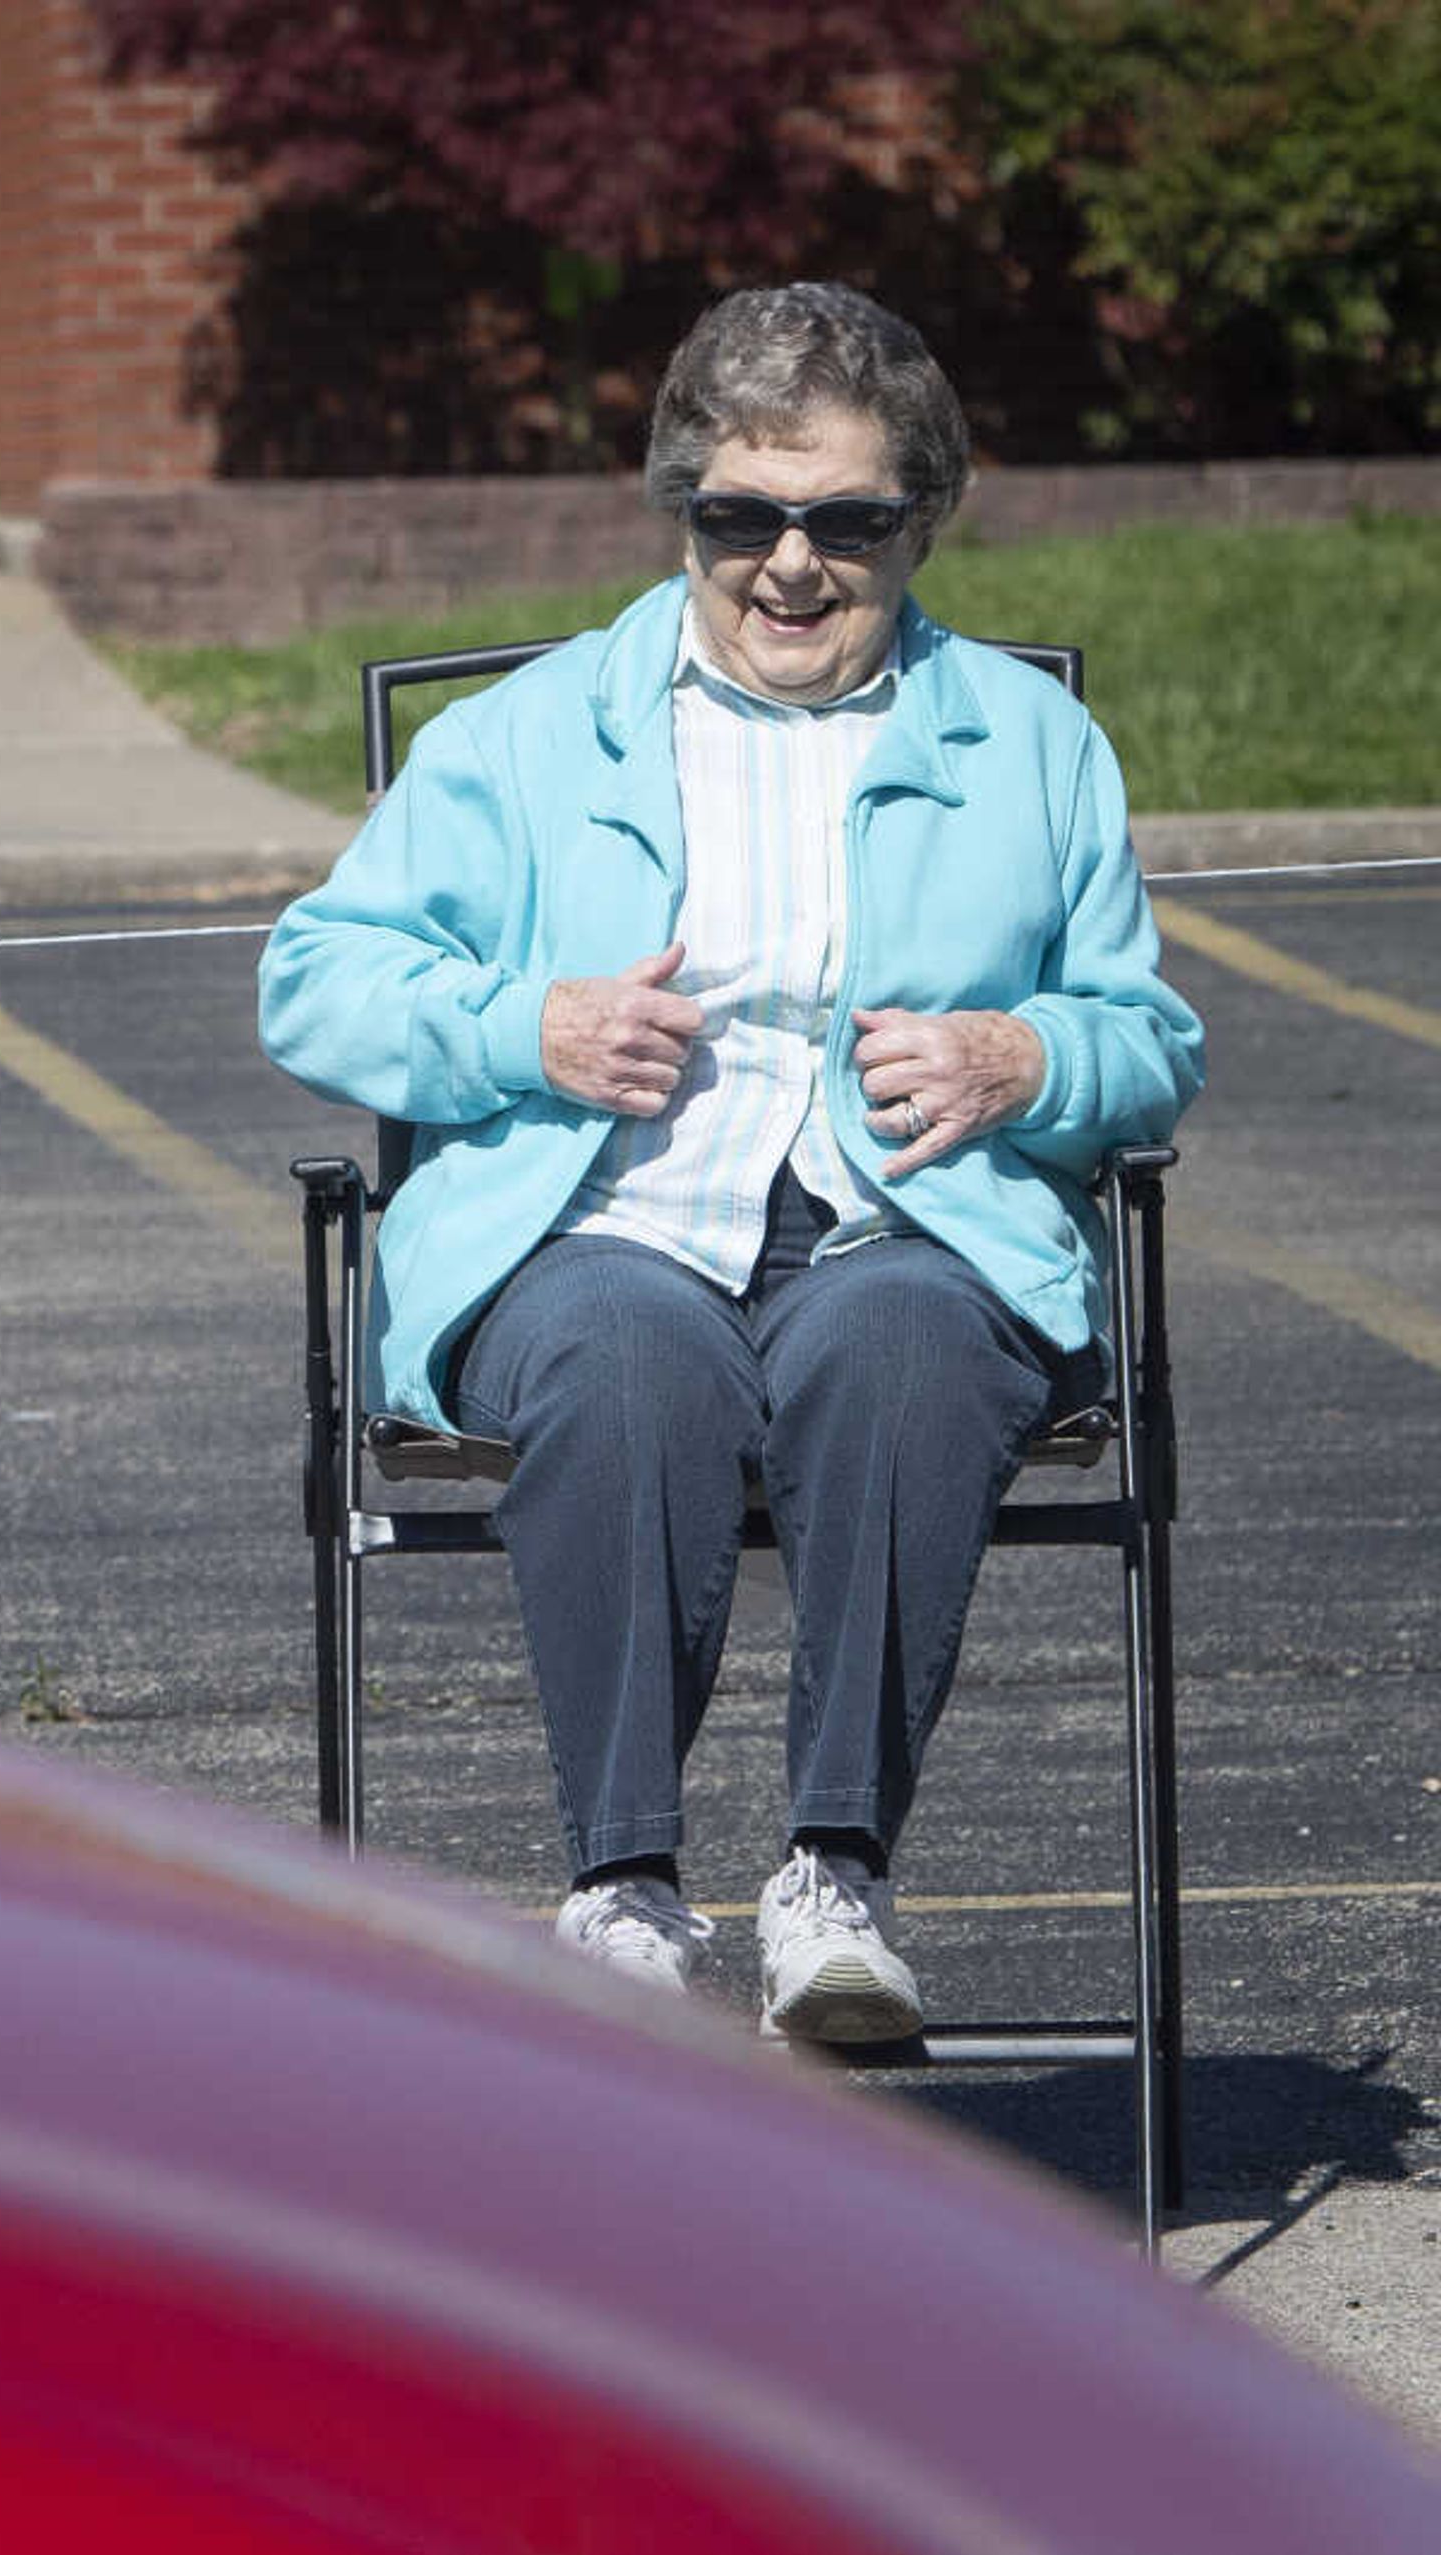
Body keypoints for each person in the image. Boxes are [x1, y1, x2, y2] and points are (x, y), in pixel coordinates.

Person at [257, 283, 1202, 2041]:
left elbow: (1152, 1043)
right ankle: (621, 1888)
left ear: (921, 520)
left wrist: (1028, 1057)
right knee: (628, 1362)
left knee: (905, 1346)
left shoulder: (1032, 745)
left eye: (846, 521)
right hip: (598, 1227)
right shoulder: (524, 738)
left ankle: (835, 1876)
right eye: (739, 516)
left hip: (909, 1232)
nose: (790, 563)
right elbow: (313, 980)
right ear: (681, 510)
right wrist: (522, 1029)